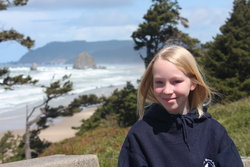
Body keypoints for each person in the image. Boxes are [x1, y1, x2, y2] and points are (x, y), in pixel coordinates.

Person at [118, 45, 243, 167]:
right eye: (159, 82)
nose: (167, 90)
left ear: (193, 83)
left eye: (176, 81)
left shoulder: (213, 132)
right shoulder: (140, 135)